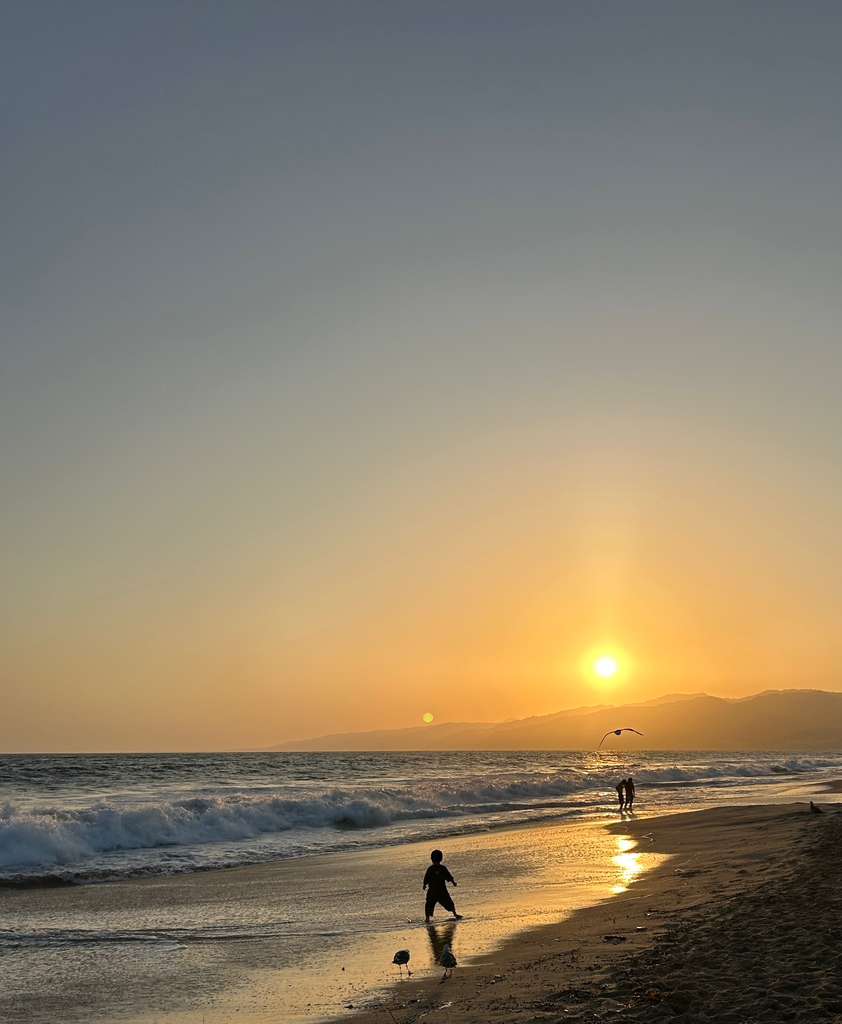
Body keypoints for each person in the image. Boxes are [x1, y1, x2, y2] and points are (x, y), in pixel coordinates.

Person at [423, 849, 462, 923]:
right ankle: (455, 914)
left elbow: (426, 878)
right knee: (448, 902)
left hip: (433, 891)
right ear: (441, 858)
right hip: (441, 890)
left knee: (429, 904)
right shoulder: (442, 868)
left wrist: (424, 885)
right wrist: (453, 882)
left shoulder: (431, 869)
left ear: (431, 859)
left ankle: (427, 918)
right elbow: (449, 876)